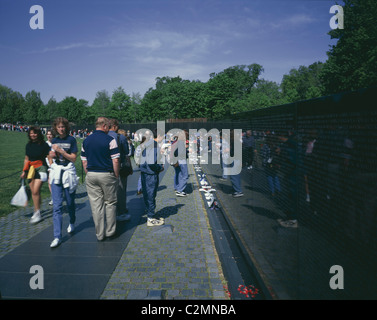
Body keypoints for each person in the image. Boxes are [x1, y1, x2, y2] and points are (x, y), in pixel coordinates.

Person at [81, 117, 120, 241]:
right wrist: (116, 174)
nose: (109, 129)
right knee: (110, 203)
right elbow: (116, 160)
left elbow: (84, 161)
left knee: (96, 206)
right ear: (103, 126)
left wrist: (89, 173)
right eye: (108, 126)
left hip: (91, 174)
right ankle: (110, 231)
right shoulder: (111, 139)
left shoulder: (86, 140)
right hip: (107, 174)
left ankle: (99, 234)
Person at [48, 118, 79, 248]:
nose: (61, 129)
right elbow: (50, 156)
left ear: (66, 127)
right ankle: (57, 236)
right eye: (59, 127)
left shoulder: (71, 140)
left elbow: (73, 158)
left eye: (63, 127)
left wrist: (61, 152)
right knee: (57, 206)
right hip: (57, 173)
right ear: (55, 128)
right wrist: (52, 161)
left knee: (70, 202)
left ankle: (72, 221)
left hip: (68, 173)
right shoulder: (54, 141)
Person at [20, 126, 50, 224]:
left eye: (35, 133)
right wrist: (24, 171)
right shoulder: (28, 145)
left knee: (36, 190)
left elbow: (49, 156)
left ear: (38, 134)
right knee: (34, 192)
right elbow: (26, 158)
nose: (33, 135)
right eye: (31, 133)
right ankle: (37, 211)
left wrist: (52, 167)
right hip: (30, 169)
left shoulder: (44, 145)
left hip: (41, 168)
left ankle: (37, 213)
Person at [139, 128, 165, 226]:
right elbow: (151, 162)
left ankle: (150, 214)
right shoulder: (154, 146)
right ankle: (150, 218)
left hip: (145, 172)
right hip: (151, 173)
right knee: (151, 194)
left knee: (147, 194)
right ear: (159, 136)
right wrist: (159, 167)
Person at [108, 120, 131, 222]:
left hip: (106, 168)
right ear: (115, 126)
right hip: (120, 167)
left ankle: (110, 213)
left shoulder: (104, 137)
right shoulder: (120, 137)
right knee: (121, 190)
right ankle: (121, 211)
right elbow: (126, 153)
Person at [171, 130, 189, 197]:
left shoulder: (177, 141)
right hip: (182, 160)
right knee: (185, 176)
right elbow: (177, 152)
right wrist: (186, 151)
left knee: (179, 174)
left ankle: (178, 188)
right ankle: (180, 190)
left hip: (177, 160)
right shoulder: (181, 142)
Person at [45, 129, 54, 206]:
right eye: (48, 134)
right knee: (49, 182)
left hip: (55, 165)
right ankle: (54, 197)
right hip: (48, 165)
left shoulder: (55, 144)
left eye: (50, 134)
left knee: (54, 182)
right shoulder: (45, 144)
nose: (49, 136)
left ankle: (56, 196)